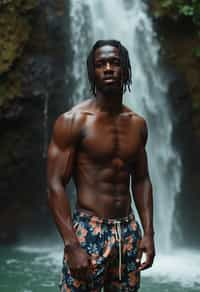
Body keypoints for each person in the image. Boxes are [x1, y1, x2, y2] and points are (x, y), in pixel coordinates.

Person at [47, 39, 155, 292]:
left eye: (115, 63)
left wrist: (149, 233)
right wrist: (72, 245)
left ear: (125, 69)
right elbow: (54, 185)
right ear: (91, 72)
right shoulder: (72, 121)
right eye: (101, 64)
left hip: (128, 231)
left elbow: (141, 179)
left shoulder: (137, 124)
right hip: (89, 232)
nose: (108, 68)